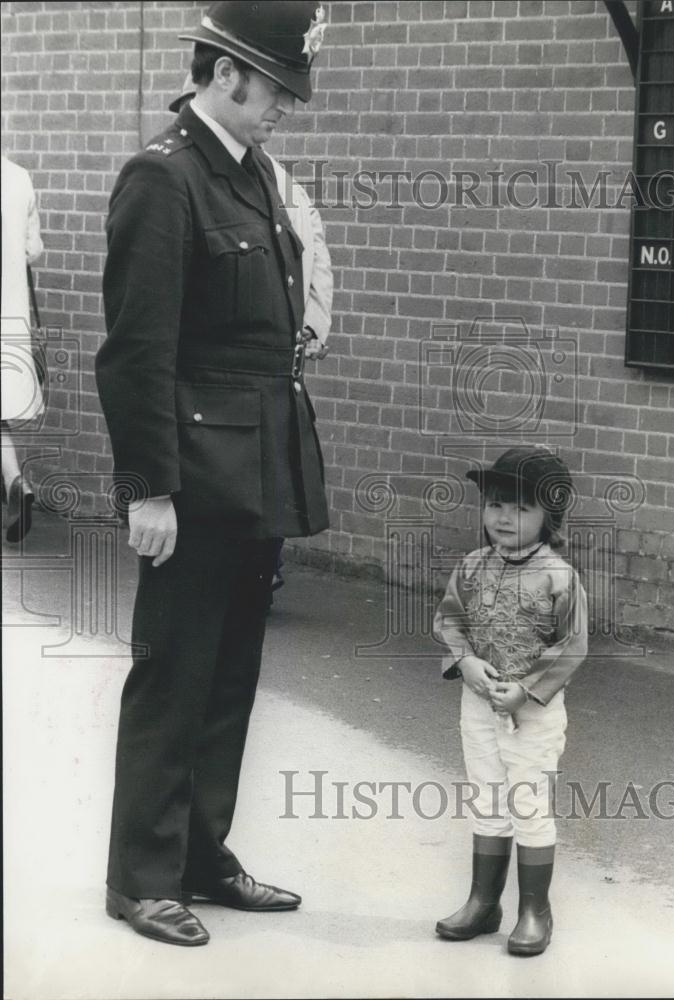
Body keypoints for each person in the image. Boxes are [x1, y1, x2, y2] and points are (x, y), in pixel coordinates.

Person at [96, 0, 330, 947]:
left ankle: (201, 854)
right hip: (191, 474)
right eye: (275, 86)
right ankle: (141, 877)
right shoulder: (164, 178)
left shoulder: (252, 176)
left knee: (230, 673)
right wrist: (146, 487)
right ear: (226, 73)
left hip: (257, 463)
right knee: (174, 673)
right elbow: (135, 351)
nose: (283, 105)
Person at [169, 73, 333, 595]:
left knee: (275, 452)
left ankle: (268, 553)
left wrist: (312, 322)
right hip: (221, 396)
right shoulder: (174, 177)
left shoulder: (277, 182)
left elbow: (318, 259)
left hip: (280, 355)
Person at [433, 447, 588, 956]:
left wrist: (527, 689)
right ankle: (483, 902)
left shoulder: (558, 576)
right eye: (496, 504)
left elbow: (571, 644)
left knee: (528, 802)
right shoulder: (473, 565)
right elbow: (450, 620)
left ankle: (534, 910)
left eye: (521, 509)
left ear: (550, 518)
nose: (503, 517)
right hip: (477, 703)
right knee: (486, 797)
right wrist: (467, 662)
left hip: (533, 712)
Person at [1, 154, 45, 542]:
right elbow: (34, 251)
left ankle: (15, 482)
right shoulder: (18, 177)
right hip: (9, 314)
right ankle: (15, 481)